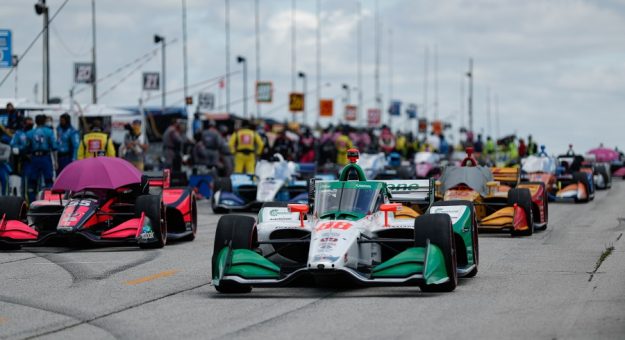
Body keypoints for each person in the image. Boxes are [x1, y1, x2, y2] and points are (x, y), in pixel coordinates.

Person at [25, 115, 56, 202]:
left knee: (32, 182)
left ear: (36, 121)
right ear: (44, 121)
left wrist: (29, 156)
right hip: (45, 157)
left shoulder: (30, 133)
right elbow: (54, 147)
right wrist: (56, 161)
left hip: (34, 158)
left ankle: (31, 202)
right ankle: (49, 201)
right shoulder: (49, 132)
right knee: (48, 180)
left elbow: (26, 147)